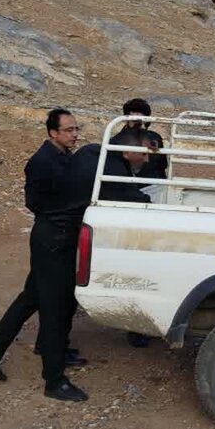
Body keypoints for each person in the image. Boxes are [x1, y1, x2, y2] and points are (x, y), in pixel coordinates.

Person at [0, 109, 91, 401]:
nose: (74, 134)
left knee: (30, 299)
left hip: (56, 237)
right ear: (53, 132)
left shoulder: (63, 157)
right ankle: (54, 380)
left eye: (76, 129)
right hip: (52, 239)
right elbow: (35, 202)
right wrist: (63, 214)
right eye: (69, 130)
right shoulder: (42, 161)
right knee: (54, 307)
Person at [73, 127, 154, 347]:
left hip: (63, 228)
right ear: (127, 152)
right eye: (143, 154)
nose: (146, 160)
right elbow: (133, 199)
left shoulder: (93, 152)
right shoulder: (114, 170)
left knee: (40, 295)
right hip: (66, 234)